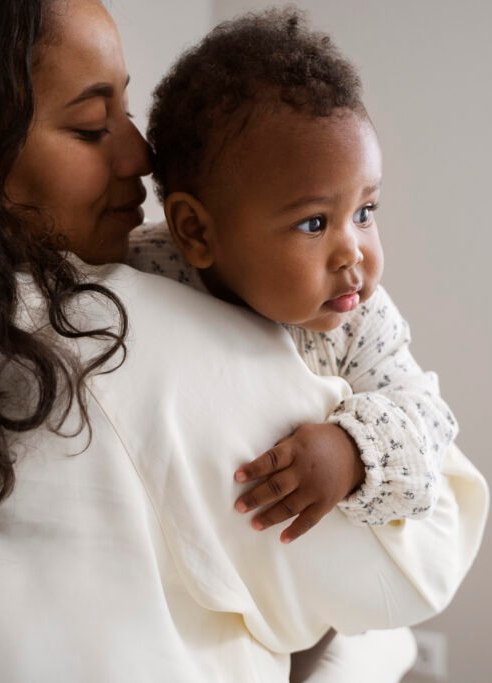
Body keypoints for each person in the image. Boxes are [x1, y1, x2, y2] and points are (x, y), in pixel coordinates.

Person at [0, 1, 488, 681]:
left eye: (367, 210)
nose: (141, 153)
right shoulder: (115, 330)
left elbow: (420, 412)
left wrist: (360, 445)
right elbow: (422, 557)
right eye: (91, 126)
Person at [130, 9, 458, 543]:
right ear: (197, 231)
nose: (352, 253)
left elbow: (427, 419)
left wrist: (350, 452)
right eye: (314, 223)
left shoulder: (362, 322)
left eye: (365, 212)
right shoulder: (146, 271)